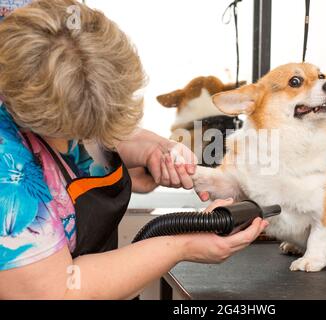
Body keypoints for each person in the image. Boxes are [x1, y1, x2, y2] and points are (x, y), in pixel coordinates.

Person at [0, 0, 268, 299]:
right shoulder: (7, 172)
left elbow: (91, 123)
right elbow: (60, 289)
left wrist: (151, 148)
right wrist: (181, 245)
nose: (93, 138)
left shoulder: (56, 32)